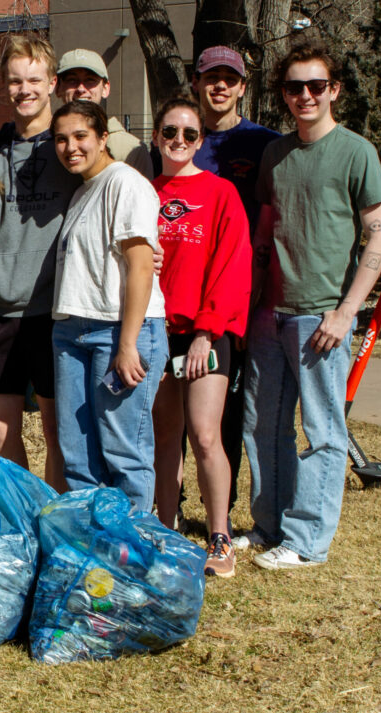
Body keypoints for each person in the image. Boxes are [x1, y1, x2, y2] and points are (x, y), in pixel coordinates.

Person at [242, 40, 381, 568]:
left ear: (334, 91)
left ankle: (308, 543)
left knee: (322, 430)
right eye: (294, 87)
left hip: (322, 314)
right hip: (270, 314)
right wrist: (254, 303)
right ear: (283, 94)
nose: (305, 95)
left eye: (315, 86)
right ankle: (270, 525)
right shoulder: (276, 154)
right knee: (263, 424)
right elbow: (265, 234)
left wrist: (347, 310)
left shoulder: (357, 152)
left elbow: (379, 236)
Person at [0, 34, 80, 492]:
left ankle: (53, 519)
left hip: (54, 310)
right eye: (15, 81)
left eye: (34, 79)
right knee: (0, 429)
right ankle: (23, 515)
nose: (24, 89)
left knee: (57, 431)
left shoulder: (69, 146)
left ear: (52, 83)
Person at [149, 95, 251, 577]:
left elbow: (232, 267)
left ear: (200, 141)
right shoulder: (144, 191)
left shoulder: (220, 193)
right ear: (156, 137)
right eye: (170, 132)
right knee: (164, 439)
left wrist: (206, 334)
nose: (179, 142)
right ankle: (164, 532)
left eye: (190, 135)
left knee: (205, 435)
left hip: (205, 334)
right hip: (156, 331)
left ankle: (219, 536)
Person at [50, 100, 167, 514]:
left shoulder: (126, 184)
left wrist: (128, 344)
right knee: (78, 454)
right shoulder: (83, 190)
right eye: (61, 139)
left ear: (103, 137)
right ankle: (91, 546)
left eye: (80, 136)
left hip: (117, 331)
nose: (70, 147)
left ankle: (130, 550)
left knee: (123, 451)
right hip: (70, 331)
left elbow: (140, 267)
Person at [190, 46, 281, 523]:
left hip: (240, 297)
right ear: (196, 83)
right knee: (180, 410)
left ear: (243, 87)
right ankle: (175, 500)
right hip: (185, 297)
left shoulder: (264, 144)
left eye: (230, 78)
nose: (219, 86)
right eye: (211, 78)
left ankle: (218, 515)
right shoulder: (183, 137)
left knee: (229, 411)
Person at [55, 48, 153, 178]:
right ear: (58, 88)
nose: (81, 88)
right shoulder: (47, 146)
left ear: (105, 88)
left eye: (90, 80)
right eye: (72, 80)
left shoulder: (130, 149)